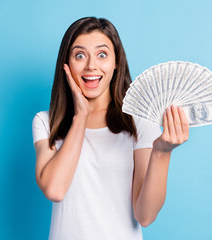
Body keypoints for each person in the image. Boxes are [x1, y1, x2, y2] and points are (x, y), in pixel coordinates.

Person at [32, 16, 189, 240]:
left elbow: (145, 215)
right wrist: (81, 116)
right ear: (66, 64)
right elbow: (55, 189)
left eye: (102, 54)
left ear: (116, 63)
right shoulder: (46, 122)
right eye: (79, 55)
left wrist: (162, 152)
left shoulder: (140, 122)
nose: (91, 66)